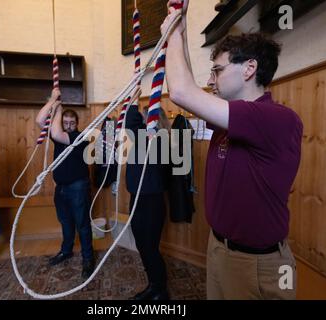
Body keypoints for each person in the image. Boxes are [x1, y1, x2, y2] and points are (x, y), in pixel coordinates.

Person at [162, 0, 303, 299]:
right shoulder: (232, 120)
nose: (210, 80)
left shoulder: (274, 118)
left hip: (256, 264)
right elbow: (190, 94)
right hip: (220, 249)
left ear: (250, 68)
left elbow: (181, 92)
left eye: (217, 70)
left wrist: (172, 30)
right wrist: (182, 29)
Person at [36, 88, 95, 279]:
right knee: (65, 222)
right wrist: (53, 102)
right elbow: (40, 120)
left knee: (82, 224)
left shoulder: (80, 138)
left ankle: (88, 259)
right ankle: (66, 250)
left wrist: (57, 105)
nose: (69, 125)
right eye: (65, 122)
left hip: (78, 187)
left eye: (72, 122)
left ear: (77, 124)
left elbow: (56, 131)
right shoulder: (58, 135)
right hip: (60, 188)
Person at [125, 104, 171, 300]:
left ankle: (159, 289)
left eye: (145, 117)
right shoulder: (148, 139)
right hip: (139, 199)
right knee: (143, 245)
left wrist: (133, 100)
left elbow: (130, 123)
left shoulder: (157, 139)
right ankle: (154, 284)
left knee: (149, 247)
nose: (142, 121)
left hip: (151, 203)